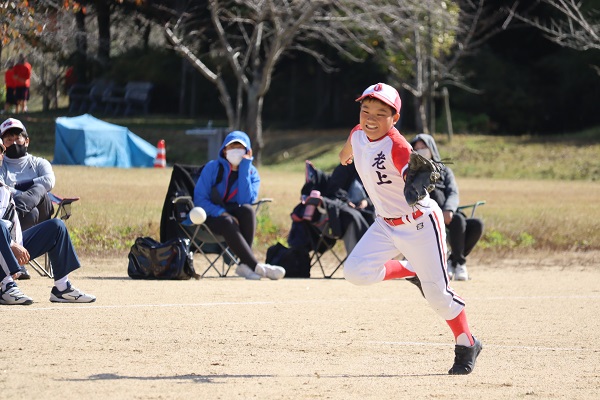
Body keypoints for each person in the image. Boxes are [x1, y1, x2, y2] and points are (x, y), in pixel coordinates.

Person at [338, 82, 482, 375]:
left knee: (438, 296)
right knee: (355, 272)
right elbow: (347, 152)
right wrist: (346, 155)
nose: (371, 118)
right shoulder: (357, 133)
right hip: (384, 224)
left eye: (381, 113)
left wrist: (413, 178)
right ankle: (409, 270)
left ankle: (467, 343)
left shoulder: (397, 146)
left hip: (419, 224)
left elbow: (409, 168)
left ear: (394, 118)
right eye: (366, 110)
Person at [0, 138, 95, 305]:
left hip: (7, 246)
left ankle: (62, 288)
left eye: (0, 150)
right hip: (5, 245)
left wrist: (15, 244)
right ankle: (6, 286)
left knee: (56, 227)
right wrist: (11, 245)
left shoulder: (3, 189)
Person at [193, 130, 285, 280]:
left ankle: (244, 265)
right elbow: (200, 199)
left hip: (235, 214)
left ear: (247, 151)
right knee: (227, 221)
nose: (235, 151)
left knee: (248, 211)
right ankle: (256, 266)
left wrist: (244, 168)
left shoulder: (252, 173)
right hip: (211, 216)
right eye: (232, 147)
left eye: (240, 147)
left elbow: (245, 200)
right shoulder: (212, 168)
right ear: (224, 150)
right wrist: (222, 212)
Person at [410, 133, 484, 281]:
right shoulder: (411, 173)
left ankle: (454, 262)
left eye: (423, 147)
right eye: (417, 148)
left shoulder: (444, 171)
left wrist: (449, 209)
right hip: (423, 216)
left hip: (446, 214)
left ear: (431, 148)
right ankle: (457, 262)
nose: (420, 151)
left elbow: (453, 192)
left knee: (475, 224)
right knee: (458, 221)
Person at [0, 118, 55, 232]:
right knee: (32, 212)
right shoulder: (1, 165)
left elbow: (49, 181)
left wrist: (16, 186)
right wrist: (31, 195)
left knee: (40, 188)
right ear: (2, 144)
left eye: (17, 138)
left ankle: (15, 215)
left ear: (27, 141)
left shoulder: (39, 163)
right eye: (9, 139)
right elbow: (2, 191)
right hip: (16, 218)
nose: (14, 143)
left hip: (39, 214)